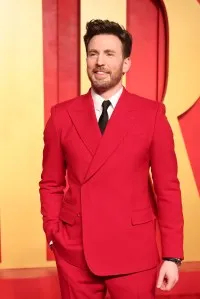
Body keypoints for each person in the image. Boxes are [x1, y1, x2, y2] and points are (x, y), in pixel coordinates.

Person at [39, 19, 184, 299]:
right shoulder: (61, 115)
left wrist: (173, 255)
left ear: (126, 63)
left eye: (109, 54)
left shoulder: (151, 114)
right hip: (75, 251)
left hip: (134, 251)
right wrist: (54, 230)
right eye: (93, 54)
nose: (99, 62)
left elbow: (168, 188)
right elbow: (50, 182)